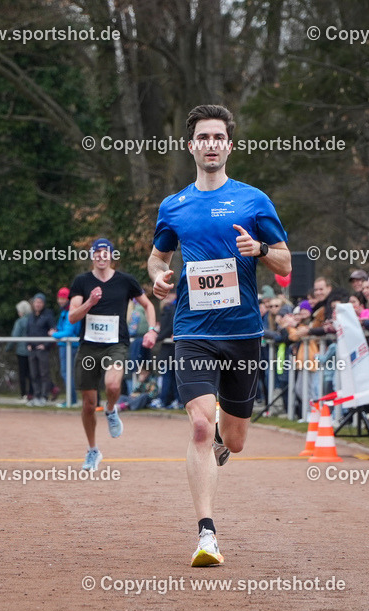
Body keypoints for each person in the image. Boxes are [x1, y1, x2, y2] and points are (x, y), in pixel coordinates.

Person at [148, 104, 291, 566]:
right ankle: (207, 534)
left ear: (230, 145)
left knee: (234, 439)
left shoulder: (254, 201)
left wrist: (261, 248)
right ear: (192, 146)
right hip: (192, 331)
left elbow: (287, 262)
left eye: (218, 137)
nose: (211, 144)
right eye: (203, 137)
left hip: (243, 332)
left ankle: (222, 450)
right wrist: (159, 277)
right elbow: (157, 258)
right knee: (198, 425)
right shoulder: (174, 206)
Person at [69, 237, 156, 470]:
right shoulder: (81, 282)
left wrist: (153, 330)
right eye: (97, 252)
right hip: (88, 346)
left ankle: (110, 410)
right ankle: (93, 451)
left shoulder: (125, 281)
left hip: (116, 344)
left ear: (112, 256)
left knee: (113, 386)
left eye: (105, 252)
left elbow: (147, 305)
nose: (101, 256)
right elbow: (72, 317)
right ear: (92, 256)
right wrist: (90, 302)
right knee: (88, 404)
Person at [50, 287, 81, 406]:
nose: (61, 301)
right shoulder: (65, 311)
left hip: (69, 346)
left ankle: (71, 400)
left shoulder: (70, 312)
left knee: (66, 373)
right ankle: (71, 399)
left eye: (63, 298)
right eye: (59, 298)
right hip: (65, 345)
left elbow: (68, 331)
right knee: (67, 373)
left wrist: (54, 334)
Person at [25, 293, 56, 406]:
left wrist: (45, 345)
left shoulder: (48, 315)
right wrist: (28, 343)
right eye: (36, 302)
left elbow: (53, 331)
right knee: (34, 374)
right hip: (32, 349)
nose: (38, 304)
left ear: (43, 303)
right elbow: (28, 331)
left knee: (44, 373)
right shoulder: (30, 316)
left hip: (42, 349)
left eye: (40, 302)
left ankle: (44, 396)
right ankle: (36, 395)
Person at [9, 300, 33, 402]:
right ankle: (31, 393)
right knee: (32, 373)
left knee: (23, 374)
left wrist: (8, 347)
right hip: (32, 349)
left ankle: (24, 394)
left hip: (22, 351)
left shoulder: (20, 322)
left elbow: (15, 335)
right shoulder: (33, 319)